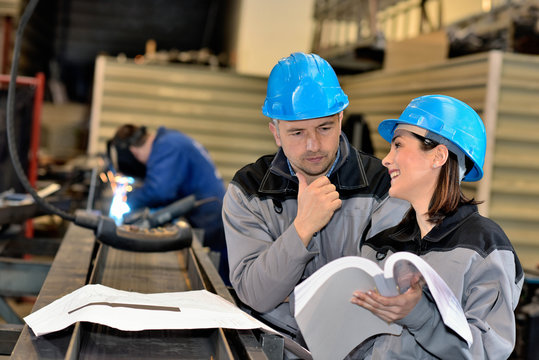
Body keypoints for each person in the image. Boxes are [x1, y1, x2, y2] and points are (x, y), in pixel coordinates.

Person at [222, 52, 409, 343]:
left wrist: (290, 294)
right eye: (297, 132)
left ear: (340, 119)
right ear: (276, 133)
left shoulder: (383, 185)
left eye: (324, 128)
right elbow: (257, 295)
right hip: (276, 348)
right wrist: (302, 229)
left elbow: (386, 296)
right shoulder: (248, 190)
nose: (313, 145)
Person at [350, 95, 524, 359]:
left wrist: (420, 316)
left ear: (438, 156)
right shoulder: (380, 245)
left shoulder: (484, 245)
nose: (386, 159)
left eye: (398, 145)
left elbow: (487, 352)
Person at [109, 124, 229, 283]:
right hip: (209, 213)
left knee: (215, 278)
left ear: (134, 151)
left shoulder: (167, 147)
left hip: (210, 218)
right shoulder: (168, 140)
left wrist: (128, 199)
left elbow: (159, 191)